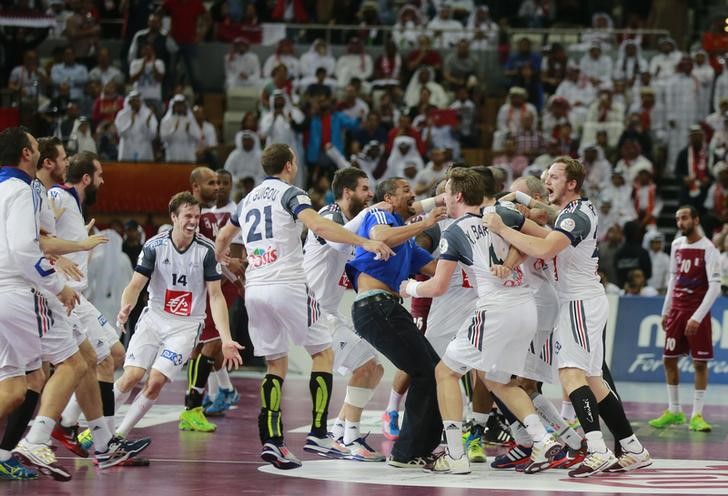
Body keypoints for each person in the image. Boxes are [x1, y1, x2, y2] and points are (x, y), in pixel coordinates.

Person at [214, 144, 392, 469]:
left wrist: (224, 262)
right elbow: (319, 226)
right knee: (322, 354)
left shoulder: (247, 199)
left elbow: (224, 237)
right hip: (290, 284)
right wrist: (366, 241)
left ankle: (272, 439)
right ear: (290, 164)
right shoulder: (292, 193)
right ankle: (320, 433)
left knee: (274, 364)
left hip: (256, 288)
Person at [483, 156, 652, 477]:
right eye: (547, 176)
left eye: (554, 177)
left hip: (578, 302)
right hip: (582, 300)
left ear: (571, 184)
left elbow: (546, 249)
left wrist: (502, 227)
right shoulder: (573, 213)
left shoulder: (576, 215)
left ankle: (597, 450)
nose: (547, 181)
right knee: (594, 381)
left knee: (571, 374)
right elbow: (546, 231)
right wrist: (519, 212)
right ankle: (632, 447)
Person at [400, 168, 560, 474]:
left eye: (446, 191)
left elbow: (438, 287)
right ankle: (543, 441)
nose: (443, 196)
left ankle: (456, 455)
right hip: (526, 307)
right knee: (498, 380)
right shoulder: (502, 213)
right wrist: (513, 261)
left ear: (457, 196)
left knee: (445, 372)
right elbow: (544, 238)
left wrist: (409, 288)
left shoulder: (455, 231)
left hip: (496, 309)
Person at [112, 192, 243, 443]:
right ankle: (98, 431)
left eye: (197, 216)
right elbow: (135, 284)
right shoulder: (154, 246)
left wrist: (226, 339)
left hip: (185, 326)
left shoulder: (206, 251)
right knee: (131, 377)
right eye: (187, 216)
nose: (193, 221)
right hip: (154, 318)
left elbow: (215, 297)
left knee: (155, 381)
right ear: (174, 217)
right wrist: (125, 306)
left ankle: (118, 435)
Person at [345, 176, 448, 468]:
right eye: (406, 191)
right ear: (389, 198)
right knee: (427, 372)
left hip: (388, 308)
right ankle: (406, 453)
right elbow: (381, 236)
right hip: (375, 307)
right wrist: (426, 222)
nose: (412, 195)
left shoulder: (409, 244)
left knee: (437, 372)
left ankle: (421, 449)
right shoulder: (381, 214)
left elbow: (438, 269)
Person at [0, 128, 77, 480]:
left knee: (17, 389)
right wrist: (58, 285)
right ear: (27, 154)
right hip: (17, 292)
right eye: (34, 143)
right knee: (74, 362)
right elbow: (22, 249)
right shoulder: (22, 190)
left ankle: (5, 453)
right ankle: (36, 439)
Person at [303, 168, 387, 461]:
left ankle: (340, 428)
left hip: (326, 311)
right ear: (347, 191)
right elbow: (341, 241)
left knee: (375, 368)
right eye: (365, 189)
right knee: (364, 366)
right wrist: (373, 211)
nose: (370, 195)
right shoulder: (328, 217)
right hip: (310, 310)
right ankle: (351, 439)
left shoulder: (349, 223)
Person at [178, 167, 243, 429]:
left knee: (208, 344)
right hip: (201, 286)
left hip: (216, 286)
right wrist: (231, 267)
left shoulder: (220, 214)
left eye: (220, 183)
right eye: (212, 183)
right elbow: (205, 253)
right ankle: (197, 403)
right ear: (195, 185)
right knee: (203, 346)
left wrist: (233, 271)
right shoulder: (193, 215)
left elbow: (218, 253)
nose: (217, 187)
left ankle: (198, 403)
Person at [649, 206, 720, 432]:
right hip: (677, 312)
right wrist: (665, 310)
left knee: (700, 364)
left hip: (696, 312)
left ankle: (697, 415)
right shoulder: (676, 245)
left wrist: (698, 317)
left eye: (685, 218)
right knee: (669, 360)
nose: (680, 222)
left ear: (696, 220)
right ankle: (674, 410)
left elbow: (716, 286)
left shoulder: (708, 249)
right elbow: (673, 279)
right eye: (678, 218)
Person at [115, 90, 158, 161]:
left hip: (144, 151)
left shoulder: (148, 114)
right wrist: (130, 123)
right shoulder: (122, 115)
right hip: (127, 151)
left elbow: (152, 136)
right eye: (133, 101)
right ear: (129, 102)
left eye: (137, 101)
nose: (135, 103)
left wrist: (147, 125)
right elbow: (120, 134)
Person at [160, 94, 201, 162]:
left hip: (188, 155)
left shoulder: (190, 120)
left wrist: (189, 130)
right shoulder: (166, 120)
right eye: (177, 105)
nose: (179, 107)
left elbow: (198, 137)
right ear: (173, 106)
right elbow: (163, 138)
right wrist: (173, 130)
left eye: (181, 105)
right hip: (172, 154)